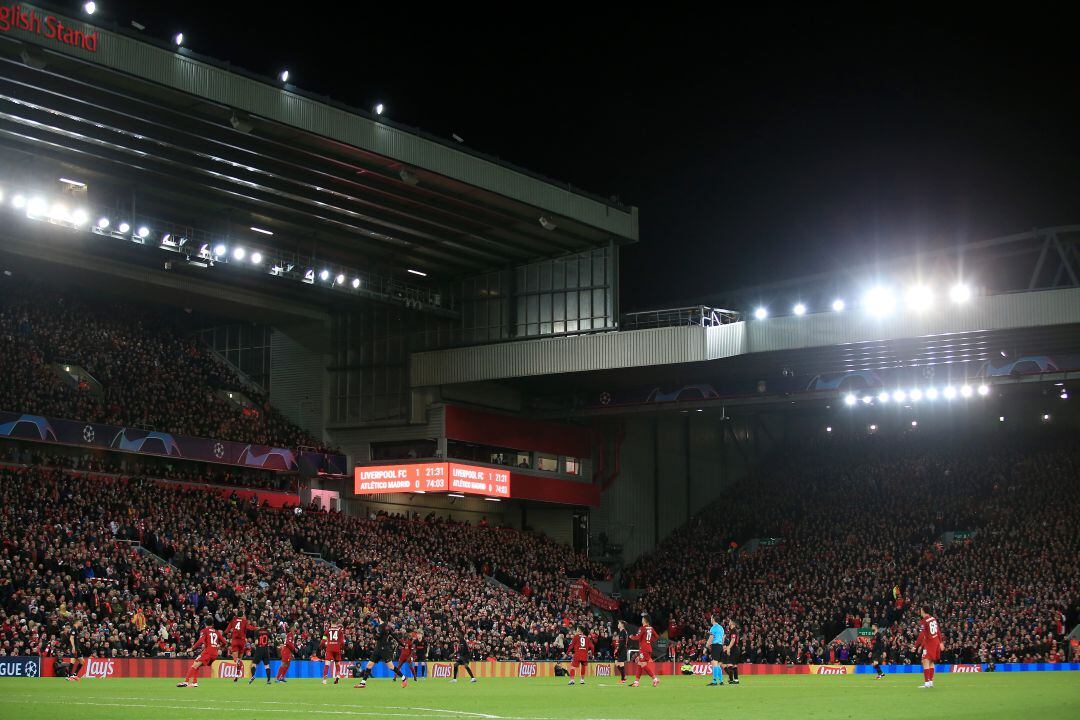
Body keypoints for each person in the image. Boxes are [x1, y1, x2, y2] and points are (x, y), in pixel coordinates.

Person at [355, 622, 405, 688]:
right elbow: (395, 637)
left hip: (384, 650)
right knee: (369, 665)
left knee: (391, 667)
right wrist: (402, 644)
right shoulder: (387, 628)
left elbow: (376, 638)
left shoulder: (381, 627)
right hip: (378, 649)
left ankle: (404, 678)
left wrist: (372, 630)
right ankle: (363, 683)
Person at [178, 619, 223, 687]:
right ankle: (194, 683)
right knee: (196, 664)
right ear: (212, 624)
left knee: (194, 665)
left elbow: (200, 641)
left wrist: (192, 648)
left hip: (207, 652)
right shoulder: (217, 632)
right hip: (215, 654)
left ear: (205, 624)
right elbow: (225, 642)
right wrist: (219, 646)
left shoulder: (204, 630)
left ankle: (186, 682)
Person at [915, 606, 944, 689]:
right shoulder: (933, 619)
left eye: (921, 610)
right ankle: (930, 682)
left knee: (925, 661)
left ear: (923, 611)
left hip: (930, 643)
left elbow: (922, 635)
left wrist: (915, 646)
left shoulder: (924, 621)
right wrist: (941, 642)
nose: (920, 612)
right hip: (936, 642)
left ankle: (927, 683)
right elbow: (938, 631)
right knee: (931, 662)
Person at [630, 616, 659, 688]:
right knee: (639, 664)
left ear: (645, 620)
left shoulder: (642, 628)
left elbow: (638, 637)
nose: (642, 620)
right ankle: (636, 682)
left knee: (642, 664)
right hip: (648, 648)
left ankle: (655, 679)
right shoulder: (651, 628)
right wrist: (648, 641)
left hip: (643, 649)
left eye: (643, 619)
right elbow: (656, 636)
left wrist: (631, 637)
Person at [226, 611, 252, 682]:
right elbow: (250, 627)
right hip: (242, 642)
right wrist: (257, 628)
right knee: (240, 659)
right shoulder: (245, 621)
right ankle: (237, 675)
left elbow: (227, 631)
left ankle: (237, 660)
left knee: (235, 658)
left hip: (235, 641)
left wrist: (226, 635)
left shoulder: (233, 621)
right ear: (243, 615)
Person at [322, 619, 346, 685]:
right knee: (337, 663)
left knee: (327, 664)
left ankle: (324, 680)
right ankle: (338, 675)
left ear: (331, 623)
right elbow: (342, 642)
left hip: (329, 648)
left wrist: (322, 648)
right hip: (337, 648)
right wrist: (342, 648)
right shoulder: (340, 631)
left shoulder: (327, 630)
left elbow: (323, 641)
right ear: (336, 623)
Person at [705, 614, 725, 686]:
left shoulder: (713, 628)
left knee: (714, 663)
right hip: (720, 646)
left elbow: (711, 638)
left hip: (715, 646)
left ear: (713, 619)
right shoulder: (721, 628)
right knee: (717, 664)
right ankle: (721, 680)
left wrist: (706, 646)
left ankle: (714, 681)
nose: (710, 619)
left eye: (711, 618)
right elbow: (723, 639)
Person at [722, 619, 741, 685]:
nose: (728, 622)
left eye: (730, 621)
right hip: (736, 648)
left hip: (734, 649)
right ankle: (736, 680)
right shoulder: (734, 630)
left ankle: (731, 679)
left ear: (732, 623)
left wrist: (729, 648)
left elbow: (733, 640)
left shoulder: (733, 630)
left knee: (730, 664)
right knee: (734, 665)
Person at [613, 620, 630, 685]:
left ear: (622, 625)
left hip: (622, 650)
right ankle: (624, 677)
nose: (618, 624)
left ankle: (623, 679)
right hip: (622, 649)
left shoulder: (623, 632)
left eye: (619, 623)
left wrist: (617, 650)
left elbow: (622, 643)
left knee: (621, 663)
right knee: (616, 663)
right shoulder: (623, 632)